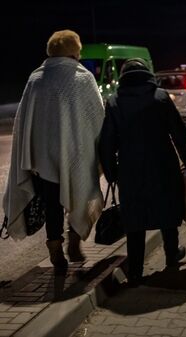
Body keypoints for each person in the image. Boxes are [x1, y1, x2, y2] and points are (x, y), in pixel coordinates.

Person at [3, 30, 105, 275]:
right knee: (80, 192)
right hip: (77, 154)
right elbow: (98, 117)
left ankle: (55, 247)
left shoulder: (36, 78)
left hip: (44, 158)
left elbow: (25, 120)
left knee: (52, 204)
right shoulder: (83, 78)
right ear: (74, 51)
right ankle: (74, 242)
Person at [99, 58, 186, 287]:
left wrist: (111, 173)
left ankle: (136, 270)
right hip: (163, 162)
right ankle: (172, 255)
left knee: (134, 217)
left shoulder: (114, 102)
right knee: (168, 208)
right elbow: (178, 131)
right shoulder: (160, 97)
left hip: (130, 167)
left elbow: (106, 143)